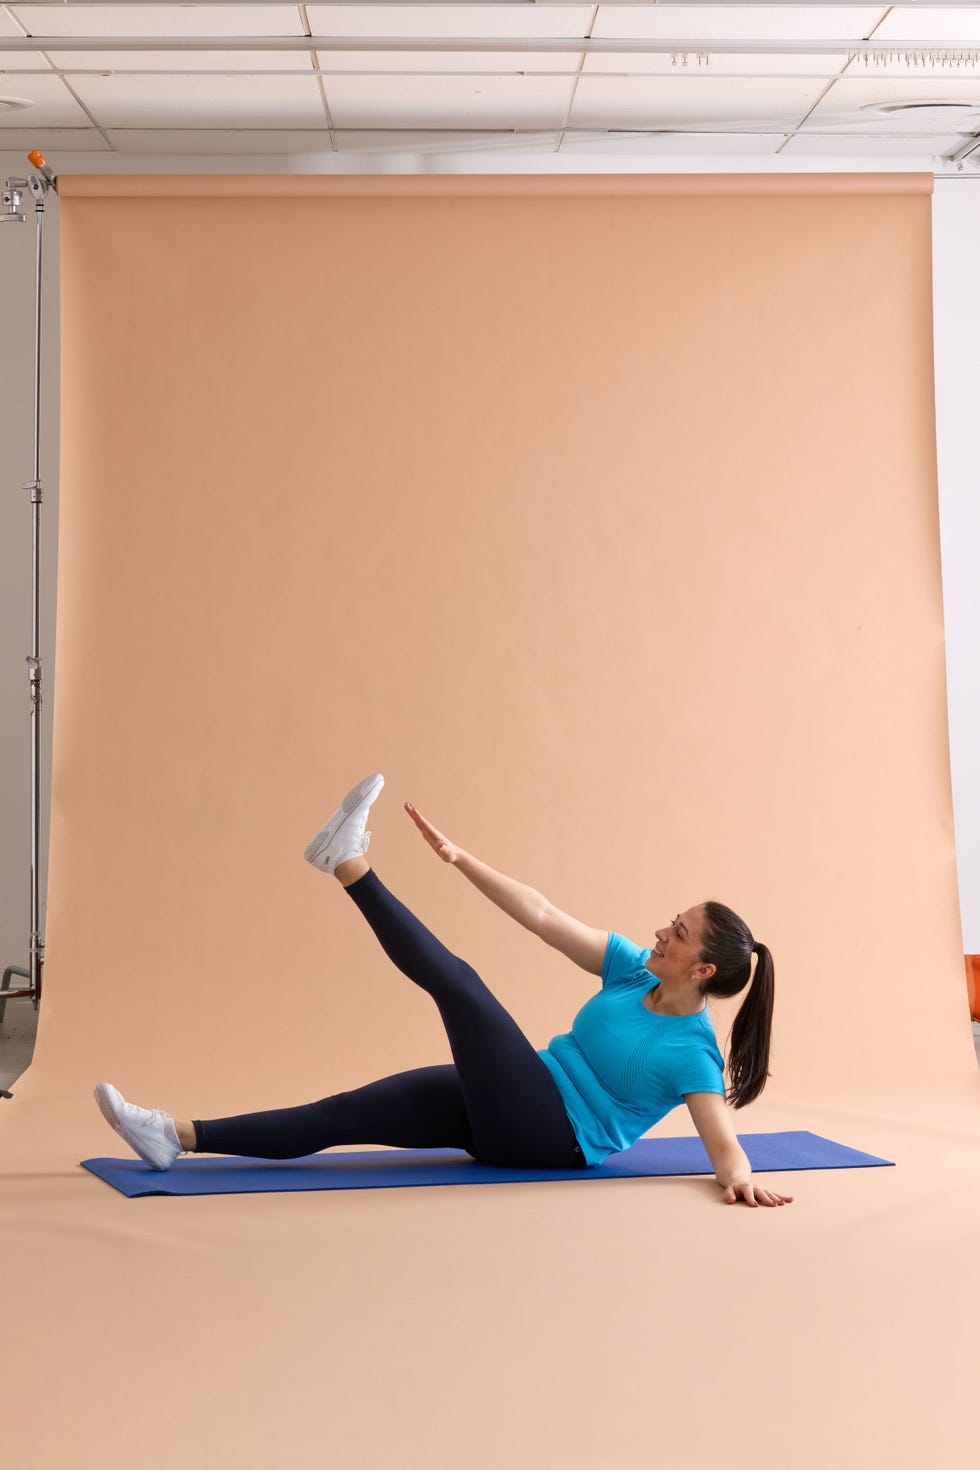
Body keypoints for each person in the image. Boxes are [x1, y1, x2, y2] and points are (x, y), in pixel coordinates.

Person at [94, 773, 793, 1208]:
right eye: (672, 921)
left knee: (461, 988)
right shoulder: (635, 967)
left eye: (678, 933)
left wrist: (739, 1177)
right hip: (516, 1096)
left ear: (703, 971)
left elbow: (721, 1142)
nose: (661, 932)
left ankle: (347, 864)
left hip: (549, 1135)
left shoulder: (693, 1050)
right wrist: (461, 860)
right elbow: (544, 915)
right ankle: (174, 1138)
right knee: (343, 1114)